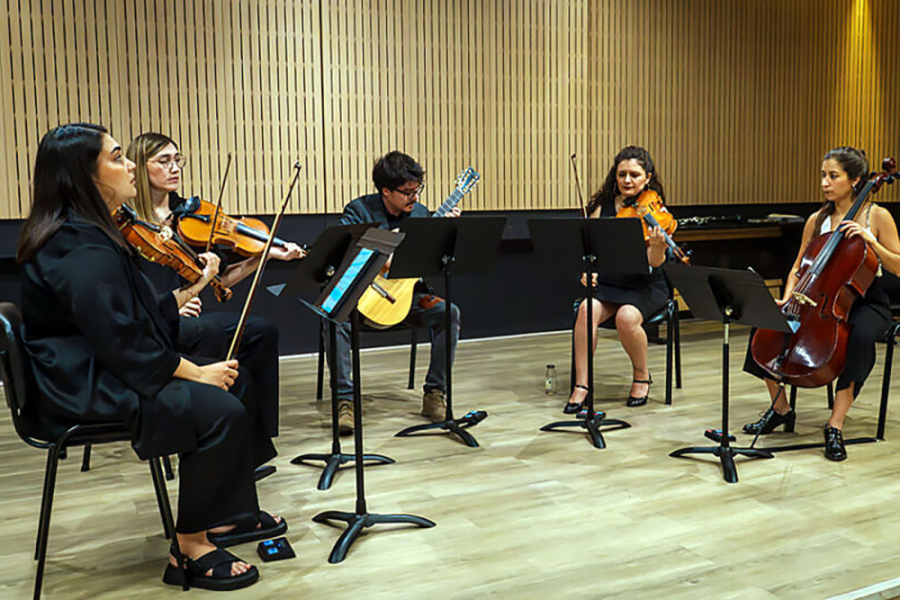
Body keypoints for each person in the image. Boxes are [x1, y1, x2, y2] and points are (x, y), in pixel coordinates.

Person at [17, 123, 287, 591]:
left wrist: (194, 288)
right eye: (117, 158)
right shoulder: (78, 246)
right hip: (81, 382)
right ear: (85, 175)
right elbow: (122, 340)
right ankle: (189, 548)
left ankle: (226, 513)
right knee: (220, 407)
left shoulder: (93, 233)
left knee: (237, 383)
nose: (130, 167)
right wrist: (195, 372)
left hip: (98, 364)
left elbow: (132, 314)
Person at [126, 132, 305, 477]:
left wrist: (264, 255)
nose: (175, 168)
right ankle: (202, 439)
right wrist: (171, 306)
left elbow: (221, 280)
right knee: (207, 333)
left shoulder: (191, 216)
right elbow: (122, 290)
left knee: (262, 331)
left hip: (189, 315)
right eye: (164, 161)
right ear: (140, 165)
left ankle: (250, 442)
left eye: (177, 160)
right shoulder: (129, 221)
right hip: (153, 320)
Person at [742, 146, 900, 461]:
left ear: (855, 180)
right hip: (816, 298)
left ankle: (835, 424)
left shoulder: (877, 216)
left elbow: (898, 265)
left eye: (833, 176)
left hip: (866, 300)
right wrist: (789, 297)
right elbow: (798, 267)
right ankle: (780, 409)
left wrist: (870, 241)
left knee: (861, 337)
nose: (825, 183)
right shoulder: (817, 219)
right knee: (766, 323)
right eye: (823, 175)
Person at [326, 150, 462, 434]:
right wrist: (384, 252)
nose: (415, 197)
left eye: (417, 190)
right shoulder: (359, 212)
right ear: (386, 191)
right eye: (407, 192)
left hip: (407, 298)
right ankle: (345, 401)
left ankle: (435, 393)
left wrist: (448, 233)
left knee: (448, 313)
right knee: (334, 316)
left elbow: (434, 262)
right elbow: (343, 255)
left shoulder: (421, 214)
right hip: (364, 298)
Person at [564, 146, 670, 414]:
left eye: (634, 175)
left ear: (647, 177)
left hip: (645, 286)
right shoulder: (603, 209)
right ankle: (582, 384)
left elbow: (654, 263)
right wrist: (589, 270)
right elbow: (590, 251)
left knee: (626, 317)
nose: (627, 180)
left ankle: (641, 375)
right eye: (622, 174)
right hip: (611, 284)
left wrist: (658, 246)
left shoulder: (654, 211)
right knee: (586, 310)